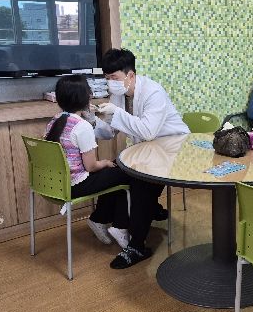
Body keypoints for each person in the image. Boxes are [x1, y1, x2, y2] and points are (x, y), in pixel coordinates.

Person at [89, 48, 190, 268]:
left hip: (173, 146)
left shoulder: (153, 92)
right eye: (107, 78)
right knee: (116, 168)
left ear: (130, 75)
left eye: (114, 77)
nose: (110, 83)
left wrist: (116, 113)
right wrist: (94, 122)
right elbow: (110, 131)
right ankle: (107, 219)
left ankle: (135, 244)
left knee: (142, 181)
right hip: (149, 149)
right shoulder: (119, 94)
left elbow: (148, 131)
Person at [43, 74, 130, 249]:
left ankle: (100, 219)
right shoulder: (81, 126)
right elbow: (91, 166)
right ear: (85, 97)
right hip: (74, 185)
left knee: (114, 176)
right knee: (124, 173)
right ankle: (119, 226)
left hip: (53, 183)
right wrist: (105, 162)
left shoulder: (54, 120)